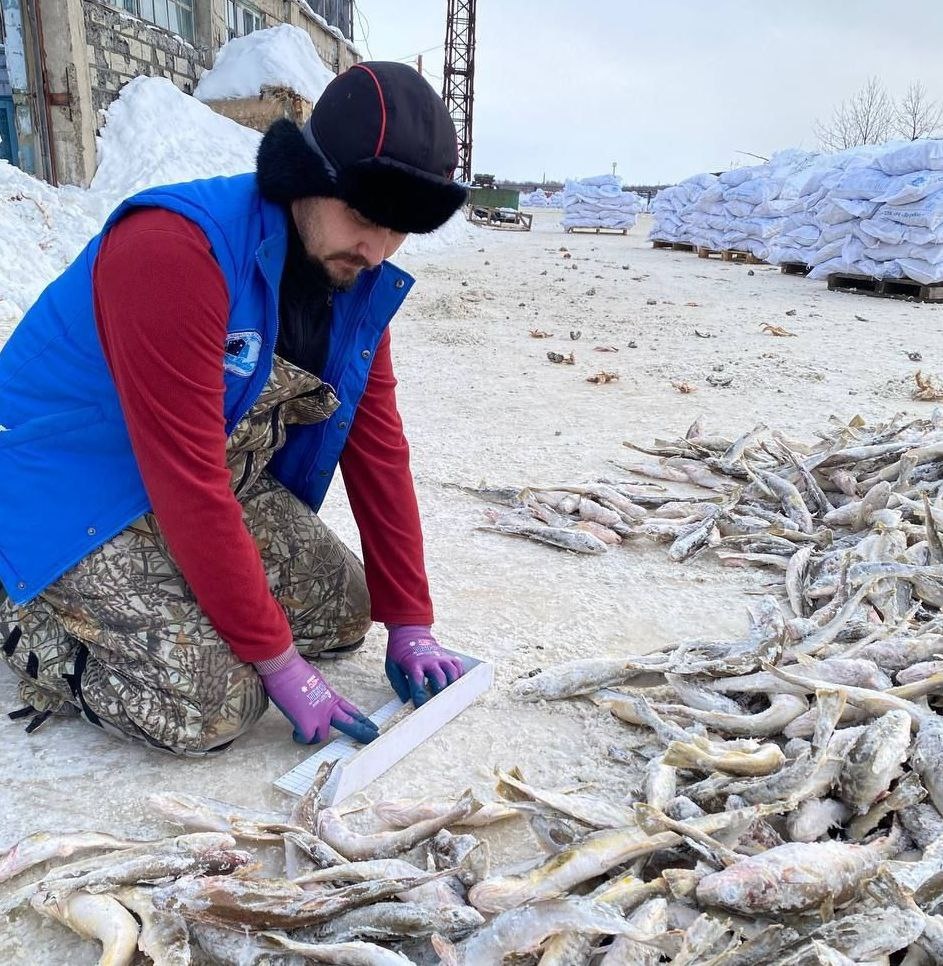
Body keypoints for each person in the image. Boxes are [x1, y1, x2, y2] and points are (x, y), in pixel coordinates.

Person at [0, 62, 468, 754]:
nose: (376, 251)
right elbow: (185, 474)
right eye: (366, 219)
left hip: (180, 477)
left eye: (399, 232)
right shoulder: (174, 249)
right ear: (309, 176)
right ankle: (20, 607)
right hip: (63, 478)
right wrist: (276, 662)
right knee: (213, 705)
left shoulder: (349, 274)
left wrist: (410, 619)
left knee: (345, 612)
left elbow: (377, 445)